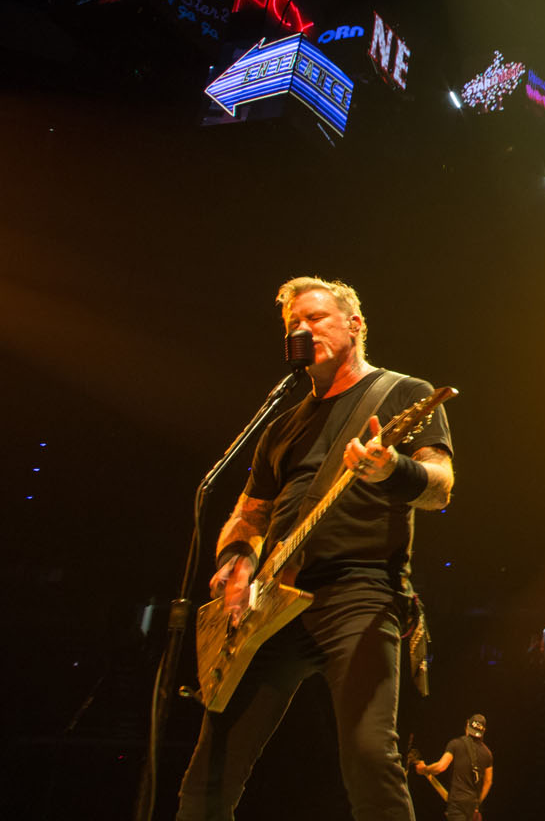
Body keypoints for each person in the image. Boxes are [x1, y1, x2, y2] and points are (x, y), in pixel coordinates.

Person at [175, 276, 456, 821]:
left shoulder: (401, 393)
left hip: (360, 591)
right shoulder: (281, 423)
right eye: (293, 324)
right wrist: (237, 561)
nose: (302, 330)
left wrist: (391, 469)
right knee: (209, 771)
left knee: (370, 755)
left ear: (354, 324)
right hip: (273, 601)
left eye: (315, 317)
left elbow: (441, 487)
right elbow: (248, 512)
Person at [410, 714, 493, 821]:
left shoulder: (456, 744)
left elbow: (440, 767)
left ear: (467, 725)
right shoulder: (488, 754)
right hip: (473, 808)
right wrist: (477, 803)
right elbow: (488, 781)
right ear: (483, 731)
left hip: (456, 806)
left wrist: (424, 769)